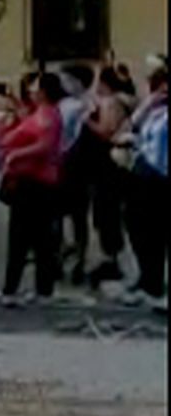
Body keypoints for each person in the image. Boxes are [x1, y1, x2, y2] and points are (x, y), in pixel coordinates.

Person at [0, 72, 64, 307]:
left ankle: (14, 289)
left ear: (44, 91)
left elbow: (45, 145)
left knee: (24, 236)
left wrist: (16, 154)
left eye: (35, 87)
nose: (31, 90)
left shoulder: (48, 116)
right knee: (37, 238)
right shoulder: (38, 113)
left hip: (35, 182)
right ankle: (40, 289)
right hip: (28, 179)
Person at [118, 59, 167, 311]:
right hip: (141, 175)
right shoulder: (155, 111)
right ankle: (148, 279)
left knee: (156, 233)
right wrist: (149, 103)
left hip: (160, 178)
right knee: (137, 228)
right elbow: (130, 126)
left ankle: (156, 284)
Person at [79, 66, 130, 287]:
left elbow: (106, 131)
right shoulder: (112, 101)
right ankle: (109, 255)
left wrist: (87, 120)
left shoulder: (112, 102)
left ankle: (111, 257)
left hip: (106, 166)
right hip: (100, 166)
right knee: (103, 212)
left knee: (106, 211)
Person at [56, 63, 96, 285]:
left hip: (71, 164)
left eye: (66, 79)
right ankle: (75, 258)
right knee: (76, 217)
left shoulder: (75, 105)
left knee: (67, 216)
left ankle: (68, 258)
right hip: (78, 166)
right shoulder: (87, 104)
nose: (63, 84)